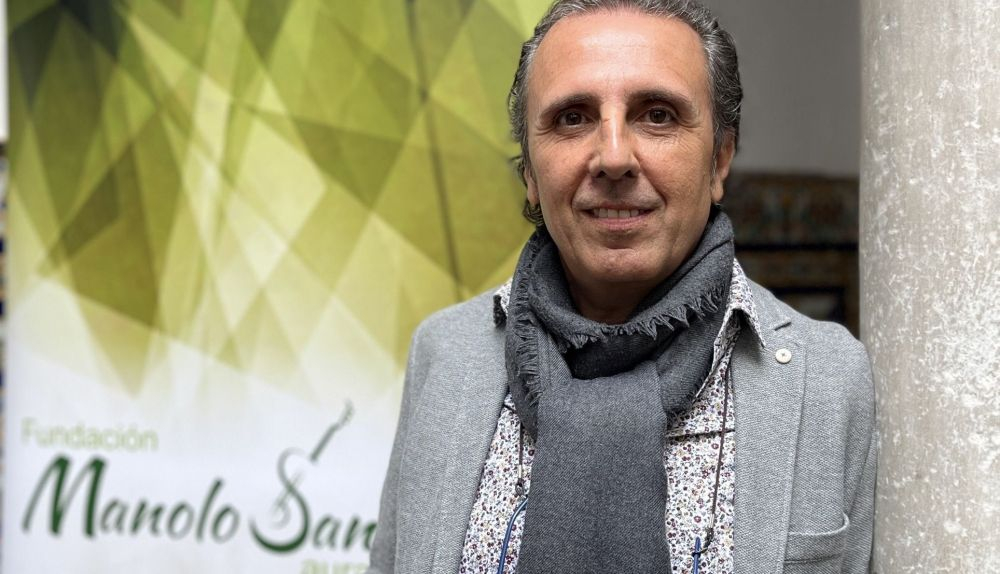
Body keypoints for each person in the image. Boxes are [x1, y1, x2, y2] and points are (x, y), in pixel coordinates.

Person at [366, 1, 876, 572]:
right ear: (530, 172)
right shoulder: (445, 355)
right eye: (572, 118)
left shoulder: (828, 380)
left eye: (657, 115)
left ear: (719, 160)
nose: (613, 157)